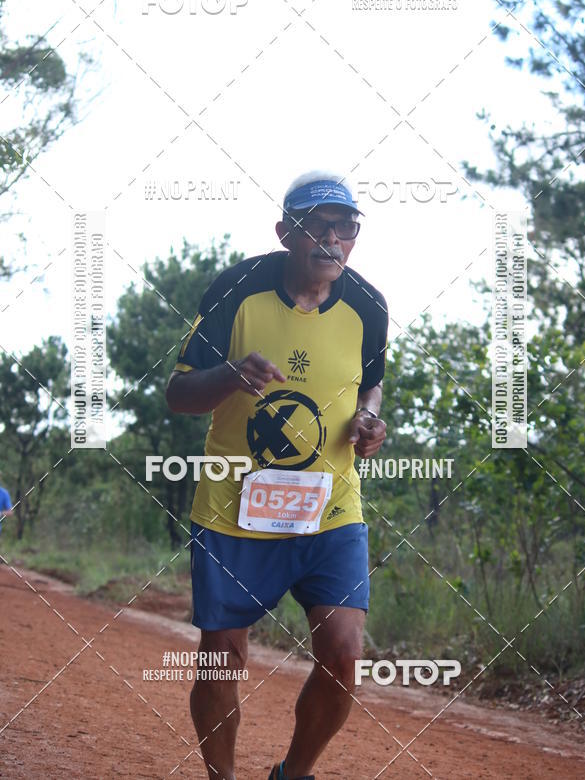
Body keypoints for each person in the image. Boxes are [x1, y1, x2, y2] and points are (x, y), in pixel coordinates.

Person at [166, 170, 389, 780]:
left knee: (343, 656)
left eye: (347, 226)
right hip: (237, 508)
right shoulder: (238, 288)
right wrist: (230, 375)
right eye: (320, 223)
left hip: (330, 507)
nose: (335, 237)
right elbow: (178, 394)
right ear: (285, 231)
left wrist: (370, 421)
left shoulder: (368, 306)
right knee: (223, 658)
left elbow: (370, 385)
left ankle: (294, 774)